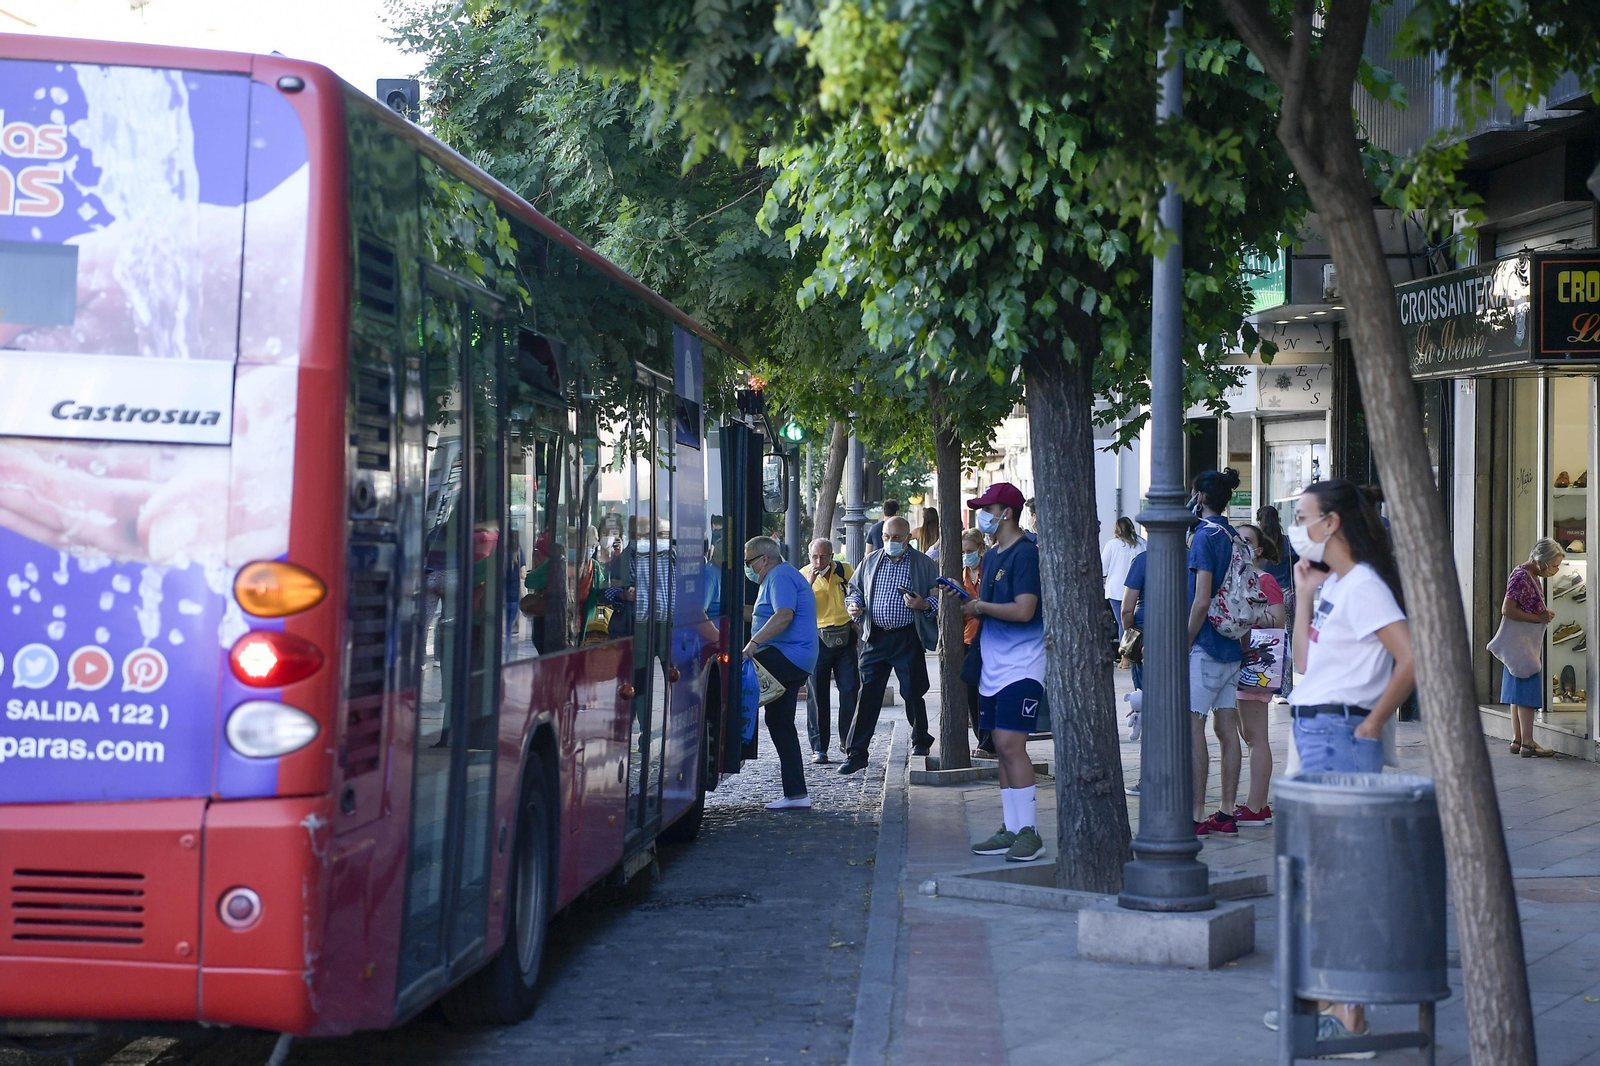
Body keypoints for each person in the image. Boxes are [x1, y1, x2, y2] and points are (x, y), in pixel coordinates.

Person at [1263, 478, 1416, 1048]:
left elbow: (1410, 659)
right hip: (1317, 726)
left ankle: (1351, 1016)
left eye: (1304, 515)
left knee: (1339, 875)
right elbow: (1304, 661)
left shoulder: (1366, 586)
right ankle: (1334, 1001)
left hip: (1340, 731)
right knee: (1321, 874)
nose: (1297, 525)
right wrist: (1303, 595)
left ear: (1332, 523)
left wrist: (1372, 723)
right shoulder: (1338, 586)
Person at [961, 482, 1046, 863]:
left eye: (987, 508)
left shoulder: (1025, 554)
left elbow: (1025, 609)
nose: (983, 515)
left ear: (1006, 513)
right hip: (993, 665)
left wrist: (980, 607)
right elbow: (993, 605)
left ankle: (1029, 830)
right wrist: (971, 604)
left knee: (1013, 746)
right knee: (1001, 749)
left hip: (1023, 664)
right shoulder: (992, 554)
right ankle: (1011, 828)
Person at [838, 515, 939, 771]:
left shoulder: (923, 563)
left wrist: (924, 604)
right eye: (886, 537)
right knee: (868, 694)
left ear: (907, 538)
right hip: (875, 636)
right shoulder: (871, 560)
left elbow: (939, 596)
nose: (890, 542)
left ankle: (921, 739)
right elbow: (855, 589)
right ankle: (856, 753)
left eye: (896, 538)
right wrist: (854, 605)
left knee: (912, 691)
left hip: (907, 635)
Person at [1188, 468, 1246, 837]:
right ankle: (1226, 812)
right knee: (1228, 731)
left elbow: (1201, 600)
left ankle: (1194, 815)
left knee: (1193, 728)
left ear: (1201, 497)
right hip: (1233, 645)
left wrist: (1183, 643)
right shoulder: (1235, 534)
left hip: (1207, 645)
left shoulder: (1204, 537)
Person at [742, 536, 820, 810]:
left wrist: (753, 644)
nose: (747, 568)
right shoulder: (777, 578)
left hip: (788, 655)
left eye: (748, 562)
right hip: (796, 657)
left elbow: (784, 615)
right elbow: (765, 614)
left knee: (739, 677)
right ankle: (797, 794)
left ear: (764, 559)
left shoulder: (779, 576)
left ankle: (734, 743)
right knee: (779, 722)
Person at [1228, 524, 1286, 825]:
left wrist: (1247, 614)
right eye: (1236, 539)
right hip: (1245, 663)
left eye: (1246, 540)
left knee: (1255, 737)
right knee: (1249, 735)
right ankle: (1257, 804)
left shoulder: (1265, 580)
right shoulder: (1239, 578)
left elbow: (1277, 620)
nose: (1239, 544)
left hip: (1255, 663)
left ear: (1259, 550)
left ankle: (1256, 807)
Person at [1500, 538, 1565, 758]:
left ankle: (1517, 739)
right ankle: (1528, 742)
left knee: (1516, 692)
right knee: (1526, 690)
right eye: (1554, 564)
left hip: (1519, 643)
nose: (1556, 569)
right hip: (1523, 643)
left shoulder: (1528, 575)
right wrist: (1538, 618)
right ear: (1541, 560)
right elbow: (1507, 610)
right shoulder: (1522, 577)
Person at [805, 538, 860, 764]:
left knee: (850, 689)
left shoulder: (844, 570)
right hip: (817, 637)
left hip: (845, 636)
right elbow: (797, 604)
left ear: (831, 555)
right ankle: (819, 747)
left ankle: (847, 740)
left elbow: (858, 592)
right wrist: (809, 581)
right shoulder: (803, 574)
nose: (819, 561)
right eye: (815, 557)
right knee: (817, 694)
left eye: (823, 556)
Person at [960, 528, 992, 756]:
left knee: (988, 692)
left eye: (970, 551)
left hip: (988, 636)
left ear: (981, 549)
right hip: (966, 638)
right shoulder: (960, 575)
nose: (966, 555)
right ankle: (982, 740)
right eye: (963, 551)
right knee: (972, 693)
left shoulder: (988, 571)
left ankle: (988, 744)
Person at [1119, 547, 1148, 797]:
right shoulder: (1191, 557)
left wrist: (1131, 640)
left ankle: (1149, 778)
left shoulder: (1143, 560)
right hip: (1188, 643)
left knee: (1146, 712)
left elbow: (1126, 609)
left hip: (1146, 642)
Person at [1101, 516, 1145, 633]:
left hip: (1116, 591)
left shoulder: (1112, 545)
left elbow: (1103, 568)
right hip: (1139, 590)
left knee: (1123, 624)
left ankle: (1125, 648)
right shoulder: (1143, 544)